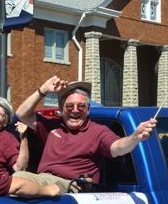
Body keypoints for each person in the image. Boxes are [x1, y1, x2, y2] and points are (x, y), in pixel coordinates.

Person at [14, 76, 157, 194]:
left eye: (81, 106)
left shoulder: (98, 131)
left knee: (18, 178)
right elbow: (21, 114)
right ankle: (45, 192)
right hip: (43, 180)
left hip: (73, 186)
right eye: (69, 106)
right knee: (7, 181)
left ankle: (48, 192)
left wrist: (135, 137)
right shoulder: (52, 126)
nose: (75, 110)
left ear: (88, 110)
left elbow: (118, 148)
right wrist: (43, 90)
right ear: (61, 110)